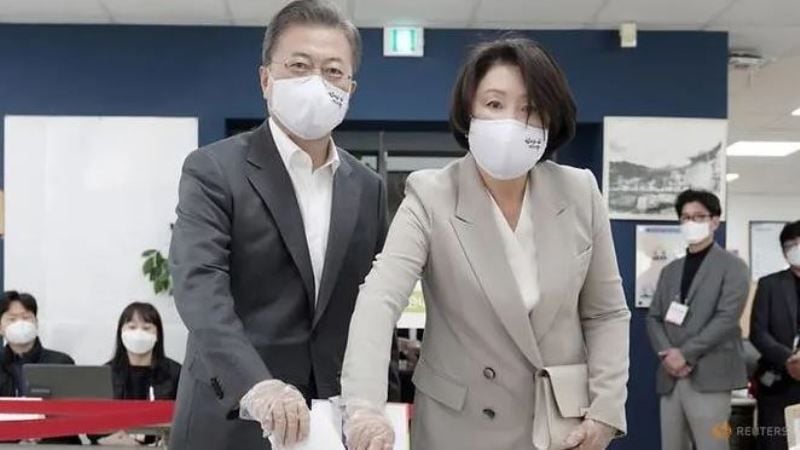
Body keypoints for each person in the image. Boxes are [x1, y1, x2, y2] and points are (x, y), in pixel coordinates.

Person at [340, 37, 631, 450]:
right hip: (461, 425)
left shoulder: (580, 191)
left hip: (561, 426)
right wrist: (365, 407)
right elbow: (381, 298)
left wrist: (605, 411)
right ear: (468, 111)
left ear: (551, 117)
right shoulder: (431, 193)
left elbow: (606, 313)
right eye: (494, 104)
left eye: (529, 108)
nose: (511, 122)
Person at [168, 1, 399, 449]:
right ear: (266, 79)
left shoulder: (367, 187)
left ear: (351, 86)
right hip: (232, 418)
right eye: (299, 65)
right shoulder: (214, 170)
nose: (317, 81)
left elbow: (373, 305)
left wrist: (373, 402)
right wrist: (256, 385)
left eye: (334, 71)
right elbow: (199, 287)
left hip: (331, 426)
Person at [647, 189, 750, 450]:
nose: (691, 223)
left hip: (711, 376)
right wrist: (668, 355)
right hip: (671, 376)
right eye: (685, 218)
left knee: (713, 445)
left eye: (699, 217)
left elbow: (726, 319)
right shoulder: (671, 270)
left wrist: (686, 354)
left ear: (715, 221)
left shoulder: (733, 266)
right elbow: (654, 317)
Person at [91, 302, 181, 446]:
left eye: (146, 328)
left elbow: (183, 419)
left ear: (157, 334)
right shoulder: (105, 374)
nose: (139, 333)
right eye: (132, 327)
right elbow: (92, 424)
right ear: (121, 333)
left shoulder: (176, 373)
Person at [0, 290, 81, 445]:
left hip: (56, 444)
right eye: (12, 319)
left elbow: (73, 413)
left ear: (36, 323)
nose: (20, 323)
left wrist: (41, 434)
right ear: (1, 327)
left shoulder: (61, 362)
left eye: (26, 318)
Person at [750, 220, 800, 450]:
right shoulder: (769, 284)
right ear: (783, 251)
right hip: (778, 381)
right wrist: (789, 359)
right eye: (790, 244)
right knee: (775, 442)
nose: (796, 248)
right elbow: (758, 332)